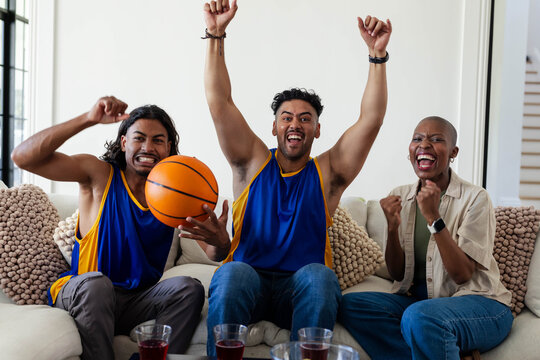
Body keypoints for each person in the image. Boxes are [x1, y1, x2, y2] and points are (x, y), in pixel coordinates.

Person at [179, 0, 392, 356]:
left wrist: (377, 57)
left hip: (300, 291)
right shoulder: (251, 162)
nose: (295, 123)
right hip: (250, 285)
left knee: (319, 276)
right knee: (234, 273)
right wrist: (215, 33)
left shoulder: (328, 174)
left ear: (318, 129)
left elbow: (371, 120)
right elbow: (220, 101)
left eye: (306, 118)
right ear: (275, 127)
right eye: (287, 117)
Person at [11, 97, 205, 360]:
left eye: (158, 140)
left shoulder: (175, 196)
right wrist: (88, 118)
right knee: (98, 285)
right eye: (139, 138)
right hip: (85, 292)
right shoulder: (99, 175)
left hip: (135, 300)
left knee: (188, 289)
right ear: (124, 142)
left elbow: (216, 251)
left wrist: (218, 237)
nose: (148, 147)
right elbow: (23, 157)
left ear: (169, 148)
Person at [338, 116, 514, 360]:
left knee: (420, 316)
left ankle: (434, 340)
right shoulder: (401, 195)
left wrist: (434, 217)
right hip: (422, 302)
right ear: (410, 151)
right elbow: (398, 274)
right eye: (418, 139)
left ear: (453, 152)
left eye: (436, 139)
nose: (425, 144)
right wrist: (391, 227)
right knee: (351, 305)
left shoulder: (475, 198)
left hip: (481, 304)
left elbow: (463, 275)